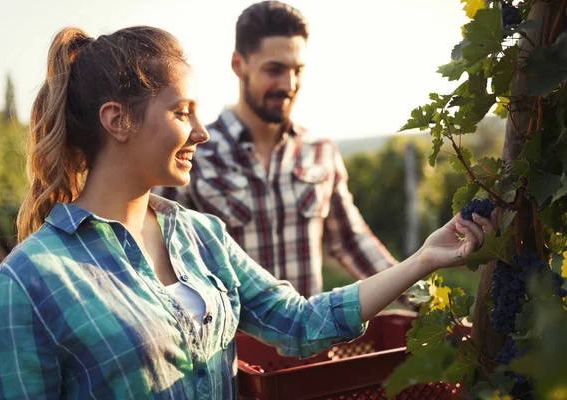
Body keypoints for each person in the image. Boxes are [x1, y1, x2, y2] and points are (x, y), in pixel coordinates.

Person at [0, 26, 491, 400]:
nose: (200, 132)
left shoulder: (201, 237)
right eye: (182, 112)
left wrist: (424, 259)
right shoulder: (28, 286)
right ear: (118, 120)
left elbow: (300, 323)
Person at [153, 1, 403, 298]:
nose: (289, 84)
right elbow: (158, 255)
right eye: (274, 70)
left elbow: (351, 242)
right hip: (231, 343)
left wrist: (425, 303)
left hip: (311, 338)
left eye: (297, 70)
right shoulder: (191, 154)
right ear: (238, 65)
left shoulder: (320, 151)